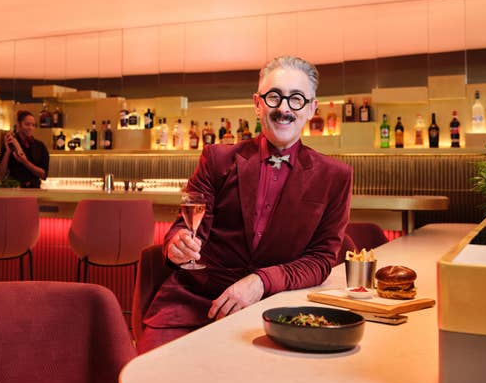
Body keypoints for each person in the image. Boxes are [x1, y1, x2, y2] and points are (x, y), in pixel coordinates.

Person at [138, 56, 353, 353]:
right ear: (257, 104)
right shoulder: (216, 159)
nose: (284, 108)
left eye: (296, 99)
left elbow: (320, 260)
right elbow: (185, 228)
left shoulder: (335, 176)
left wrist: (261, 281)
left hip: (276, 312)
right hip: (194, 305)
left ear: (311, 108)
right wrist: (178, 243)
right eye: (274, 96)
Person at [0, 110, 49, 188]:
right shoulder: (10, 143)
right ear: (18, 125)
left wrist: (25, 161)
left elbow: (44, 175)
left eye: (33, 125)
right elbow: (1, 175)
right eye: (27, 124)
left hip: (35, 190)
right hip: (14, 189)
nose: (30, 128)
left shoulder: (40, 146)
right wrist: (7, 152)